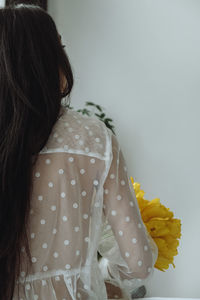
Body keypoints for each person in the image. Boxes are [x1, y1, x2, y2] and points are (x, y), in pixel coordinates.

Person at [0, 3, 158, 300]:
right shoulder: (94, 139)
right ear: (49, 59)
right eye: (59, 46)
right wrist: (104, 275)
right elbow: (139, 263)